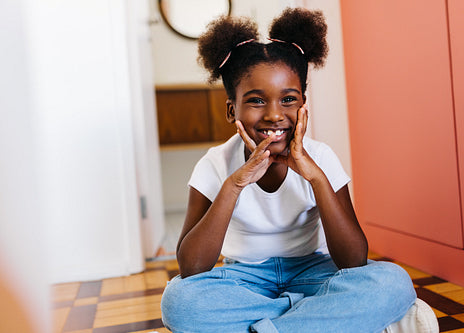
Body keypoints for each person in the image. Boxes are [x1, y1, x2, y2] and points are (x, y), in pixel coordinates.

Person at [161, 7, 420, 333]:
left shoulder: (321, 158)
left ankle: (266, 325)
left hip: (313, 271)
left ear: (303, 104)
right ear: (232, 110)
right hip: (242, 279)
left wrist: (315, 177)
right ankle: (305, 316)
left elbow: (353, 259)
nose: (273, 115)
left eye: (288, 100)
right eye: (256, 101)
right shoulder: (213, 165)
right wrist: (234, 185)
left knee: (392, 281)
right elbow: (192, 267)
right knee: (178, 300)